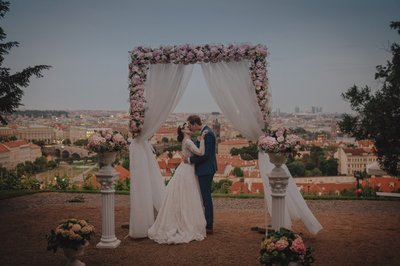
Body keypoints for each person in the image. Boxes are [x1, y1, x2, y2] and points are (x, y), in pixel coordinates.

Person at [148, 123, 208, 244]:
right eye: (187, 127)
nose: (189, 128)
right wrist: (202, 140)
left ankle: (181, 219)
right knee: (188, 196)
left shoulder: (187, 140)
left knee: (183, 196)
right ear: (183, 131)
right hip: (187, 170)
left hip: (185, 169)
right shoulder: (187, 141)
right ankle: (185, 222)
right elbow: (201, 153)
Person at [184, 115, 217, 234]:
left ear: (194, 124)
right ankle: (205, 222)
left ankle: (209, 225)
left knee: (206, 197)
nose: (189, 128)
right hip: (205, 169)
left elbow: (205, 155)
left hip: (206, 170)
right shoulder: (204, 132)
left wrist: (189, 160)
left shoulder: (207, 133)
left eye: (190, 125)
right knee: (204, 196)